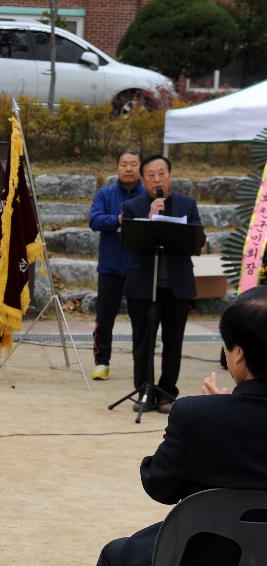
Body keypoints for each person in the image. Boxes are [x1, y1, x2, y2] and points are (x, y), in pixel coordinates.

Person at [96, 285, 267, 566]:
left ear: (237, 354)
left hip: (207, 553)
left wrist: (218, 412)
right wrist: (227, 408)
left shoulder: (195, 415)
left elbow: (161, 486)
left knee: (117, 553)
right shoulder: (203, 415)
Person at [121, 156, 203, 413]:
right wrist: (149, 218)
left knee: (173, 340)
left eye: (162, 173)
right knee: (143, 340)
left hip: (176, 284)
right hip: (143, 284)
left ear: (169, 175)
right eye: (151, 175)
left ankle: (167, 392)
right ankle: (145, 390)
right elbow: (130, 243)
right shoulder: (133, 206)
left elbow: (198, 241)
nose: (157, 179)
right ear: (143, 179)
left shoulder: (187, 204)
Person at [89, 150, 145, 380]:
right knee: (105, 317)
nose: (129, 168)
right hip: (110, 267)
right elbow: (94, 220)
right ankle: (102, 362)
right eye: (124, 164)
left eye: (133, 164)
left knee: (140, 318)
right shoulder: (106, 194)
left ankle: (140, 364)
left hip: (138, 267)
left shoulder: (148, 196)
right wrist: (117, 220)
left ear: (140, 168)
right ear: (117, 168)